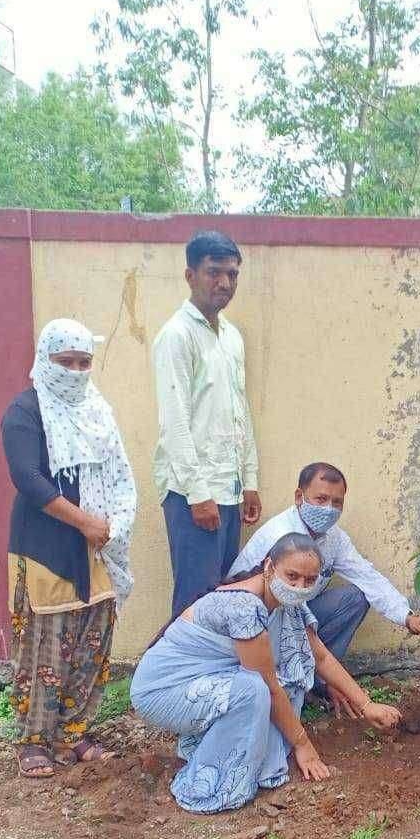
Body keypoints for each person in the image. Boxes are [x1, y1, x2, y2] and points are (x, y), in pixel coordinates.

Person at [131, 532, 403, 814]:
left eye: (310, 581)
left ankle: (221, 748)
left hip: (202, 684)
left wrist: (367, 705)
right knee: (254, 690)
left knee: (262, 689)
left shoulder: (287, 606)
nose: (300, 586)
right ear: (269, 566)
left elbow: (320, 656)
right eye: (292, 576)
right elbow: (268, 687)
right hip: (161, 691)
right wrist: (303, 746)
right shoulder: (245, 607)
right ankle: (210, 783)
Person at [0, 320, 137, 778]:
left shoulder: (96, 411)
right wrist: (84, 523)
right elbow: (29, 479)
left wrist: (112, 524)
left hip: (96, 543)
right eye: (66, 363)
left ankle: (74, 732)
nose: (76, 372)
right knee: (44, 641)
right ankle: (35, 741)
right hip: (45, 544)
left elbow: (118, 470)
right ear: (45, 361)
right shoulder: (25, 412)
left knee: (92, 636)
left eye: (84, 363)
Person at [228, 462, 420, 708]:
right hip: (261, 621)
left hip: (298, 615)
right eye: (321, 499)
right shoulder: (280, 536)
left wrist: (407, 617)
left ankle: (320, 681)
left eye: (336, 503)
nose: (328, 509)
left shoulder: (334, 538)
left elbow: (366, 576)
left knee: (356, 597)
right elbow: (252, 603)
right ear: (299, 497)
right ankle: (290, 686)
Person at [152, 230, 262, 620]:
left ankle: (213, 680)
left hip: (228, 489)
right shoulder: (176, 336)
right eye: (214, 272)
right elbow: (174, 421)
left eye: (232, 274)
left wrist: (249, 480)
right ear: (190, 275)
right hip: (192, 494)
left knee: (224, 593)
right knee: (195, 601)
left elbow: (239, 410)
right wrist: (198, 495)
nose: (225, 283)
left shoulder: (231, 336)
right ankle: (176, 679)